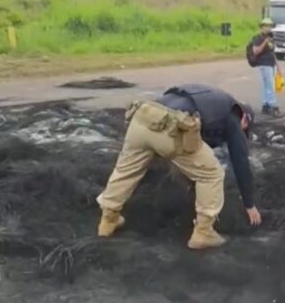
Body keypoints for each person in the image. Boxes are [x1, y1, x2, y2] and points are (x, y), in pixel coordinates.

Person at [96, 84, 261, 250]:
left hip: (143, 116)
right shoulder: (233, 116)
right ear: (245, 119)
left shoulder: (210, 98)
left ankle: (108, 219)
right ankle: (203, 232)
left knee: (125, 171)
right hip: (171, 125)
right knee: (212, 173)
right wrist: (249, 204)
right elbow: (240, 161)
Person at [250, 18, 282, 117]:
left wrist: (278, 66)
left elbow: (272, 52)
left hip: (271, 63)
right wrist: (264, 42)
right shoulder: (257, 38)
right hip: (263, 64)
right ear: (262, 27)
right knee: (270, 85)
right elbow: (255, 51)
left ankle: (266, 104)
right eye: (266, 26)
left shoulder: (272, 38)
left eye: (270, 26)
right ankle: (272, 105)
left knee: (267, 85)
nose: (268, 28)